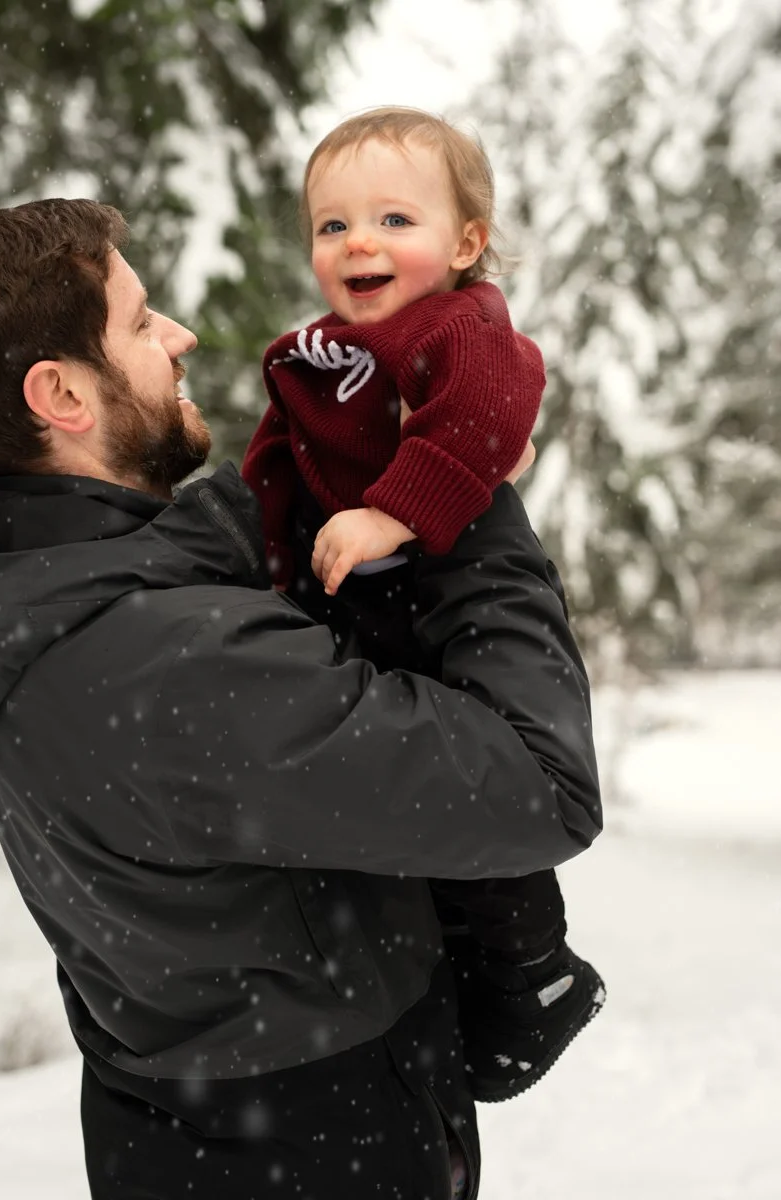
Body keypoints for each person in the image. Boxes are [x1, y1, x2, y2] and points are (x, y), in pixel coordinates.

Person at [0, 197, 601, 1200]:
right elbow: (539, 791)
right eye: (141, 321)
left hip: (203, 1130)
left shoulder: (21, 585)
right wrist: (475, 497)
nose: (178, 336)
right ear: (62, 392)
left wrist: (374, 460)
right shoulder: (165, 665)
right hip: (316, 1148)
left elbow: (205, 544)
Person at [241, 106, 605, 1107]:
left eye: (394, 220)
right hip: (360, 606)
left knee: (475, 790)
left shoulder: (460, 326)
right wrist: (265, 553)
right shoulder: (308, 353)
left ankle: (534, 971)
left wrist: (392, 513)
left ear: (465, 244)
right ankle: (474, 965)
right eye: (332, 225)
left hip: (431, 584)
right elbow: (275, 463)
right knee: (418, 809)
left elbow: (486, 414)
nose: (358, 241)